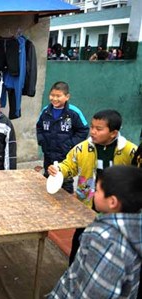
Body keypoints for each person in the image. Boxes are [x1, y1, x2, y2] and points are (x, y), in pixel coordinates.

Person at [47, 109, 137, 265]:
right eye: (92, 127)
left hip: (117, 211)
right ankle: (73, 269)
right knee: (80, 243)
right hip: (87, 207)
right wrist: (59, 170)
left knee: (109, 250)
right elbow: (69, 165)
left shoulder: (130, 151)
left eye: (99, 129)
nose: (93, 132)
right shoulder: (82, 148)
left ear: (113, 133)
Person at [48, 165, 142, 298]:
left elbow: (95, 293)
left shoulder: (106, 241)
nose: (93, 192)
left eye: (97, 190)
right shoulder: (134, 228)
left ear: (112, 202)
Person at [36, 81, 89, 193]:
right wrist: (42, 141)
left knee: (65, 181)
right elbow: (39, 127)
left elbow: (83, 130)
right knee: (48, 177)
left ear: (67, 97)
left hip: (65, 155)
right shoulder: (46, 111)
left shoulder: (74, 112)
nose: (54, 99)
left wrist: (70, 144)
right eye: (52, 95)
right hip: (49, 153)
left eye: (58, 96)